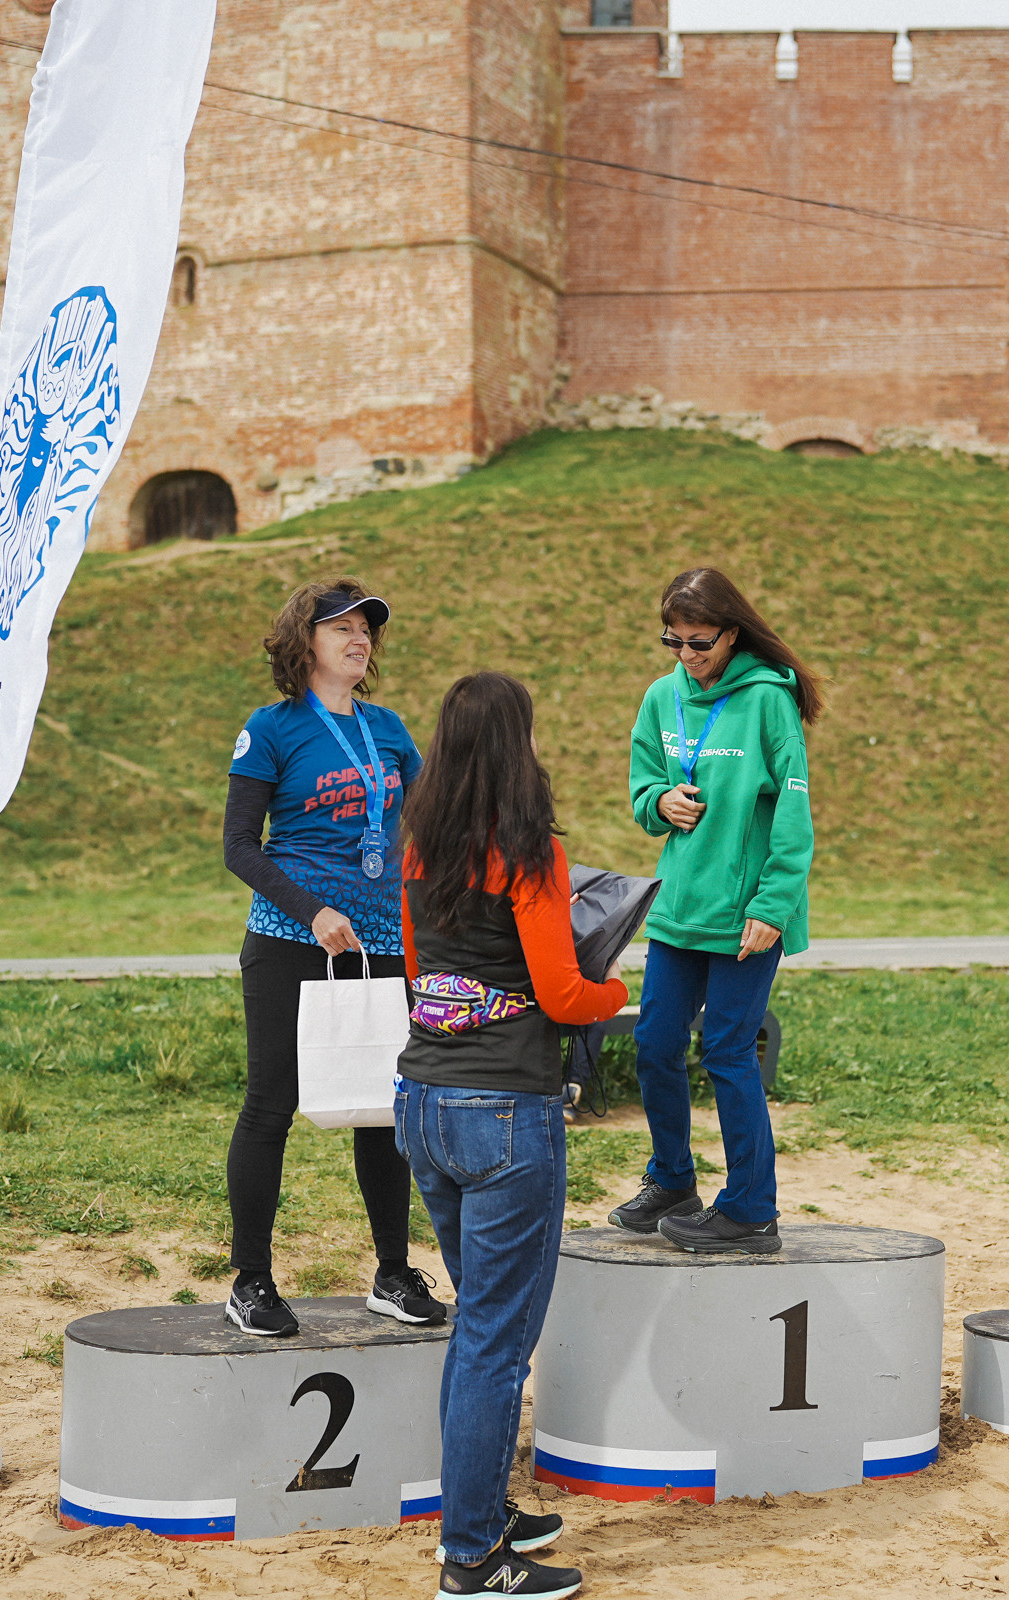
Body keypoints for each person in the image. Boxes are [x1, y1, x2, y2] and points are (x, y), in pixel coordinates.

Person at [397, 672, 628, 1600]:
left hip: (423, 1100)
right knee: (495, 1339)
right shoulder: (530, 853)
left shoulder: (418, 845)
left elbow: (421, 973)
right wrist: (617, 993)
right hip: (505, 1113)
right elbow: (565, 992)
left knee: (478, 1329)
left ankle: (483, 1512)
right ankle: (472, 1560)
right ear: (518, 745)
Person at [220, 578, 445, 1337]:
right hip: (292, 940)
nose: (359, 638)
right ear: (303, 643)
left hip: (383, 942)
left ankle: (391, 1271)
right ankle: (250, 1279)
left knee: (385, 1112)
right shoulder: (272, 728)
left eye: (367, 629)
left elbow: (429, 820)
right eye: (340, 627)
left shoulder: (388, 728)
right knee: (270, 1105)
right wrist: (312, 911)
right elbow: (239, 847)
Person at [607, 568, 820, 1254]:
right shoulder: (661, 698)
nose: (686, 655)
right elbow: (644, 788)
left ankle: (752, 1210)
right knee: (654, 1044)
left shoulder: (767, 701)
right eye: (674, 641)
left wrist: (775, 904)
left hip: (746, 915)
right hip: (680, 907)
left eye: (700, 642)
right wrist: (659, 803)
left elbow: (794, 814)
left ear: (731, 634)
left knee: (728, 1052)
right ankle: (672, 1178)